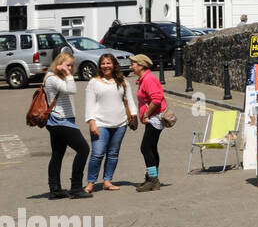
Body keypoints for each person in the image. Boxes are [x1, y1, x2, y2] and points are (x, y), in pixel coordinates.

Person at [84, 53, 139, 192]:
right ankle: (90, 183)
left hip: (120, 124)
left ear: (114, 65)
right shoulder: (93, 82)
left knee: (113, 154)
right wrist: (92, 123)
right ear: (99, 66)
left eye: (108, 63)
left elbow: (130, 101)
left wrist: (134, 116)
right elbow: (89, 105)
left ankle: (107, 181)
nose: (105, 66)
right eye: (103, 63)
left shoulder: (122, 81)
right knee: (97, 154)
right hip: (100, 124)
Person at [44, 50, 91, 199]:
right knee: (83, 149)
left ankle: (55, 189)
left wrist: (65, 73)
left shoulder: (58, 77)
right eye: (67, 65)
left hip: (62, 121)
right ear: (59, 64)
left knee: (57, 154)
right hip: (60, 121)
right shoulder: (52, 78)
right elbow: (71, 90)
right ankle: (76, 187)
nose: (70, 69)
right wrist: (68, 74)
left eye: (72, 66)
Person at [130, 54, 167, 192]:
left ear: (141, 65)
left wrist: (146, 114)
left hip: (154, 118)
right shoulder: (144, 79)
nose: (131, 66)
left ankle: (153, 180)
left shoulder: (149, 80)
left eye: (133, 64)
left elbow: (156, 99)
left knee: (145, 148)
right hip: (152, 118)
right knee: (151, 148)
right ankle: (152, 178)